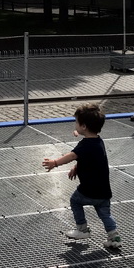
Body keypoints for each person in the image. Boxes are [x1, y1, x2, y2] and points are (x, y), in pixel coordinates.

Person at [42, 102, 121, 252]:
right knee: (105, 215)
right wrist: (77, 168)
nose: (75, 125)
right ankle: (114, 237)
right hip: (104, 192)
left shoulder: (84, 145)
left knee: (75, 201)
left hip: (88, 190)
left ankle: (82, 229)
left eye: (77, 122)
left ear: (84, 126)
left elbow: (72, 155)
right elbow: (91, 161)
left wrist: (55, 163)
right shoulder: (99, 142)